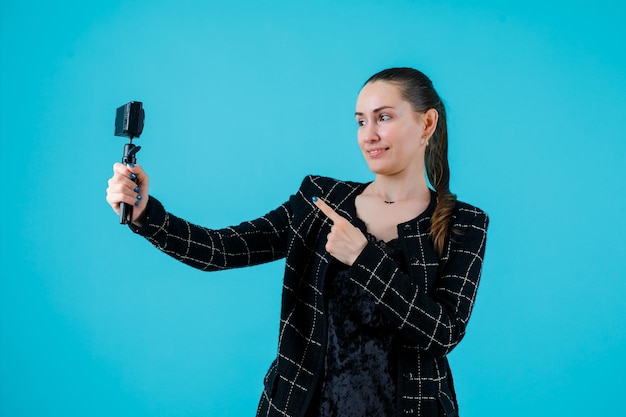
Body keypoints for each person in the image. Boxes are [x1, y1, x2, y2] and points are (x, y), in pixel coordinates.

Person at [106, 67, 489, 417]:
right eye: (360, 121)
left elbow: (442, 333)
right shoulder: (320, 200)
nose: (368, 134)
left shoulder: (464, 224)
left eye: (384, 117)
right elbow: (222, 250)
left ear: (427, 123)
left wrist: (363, 257)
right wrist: (147, 216)